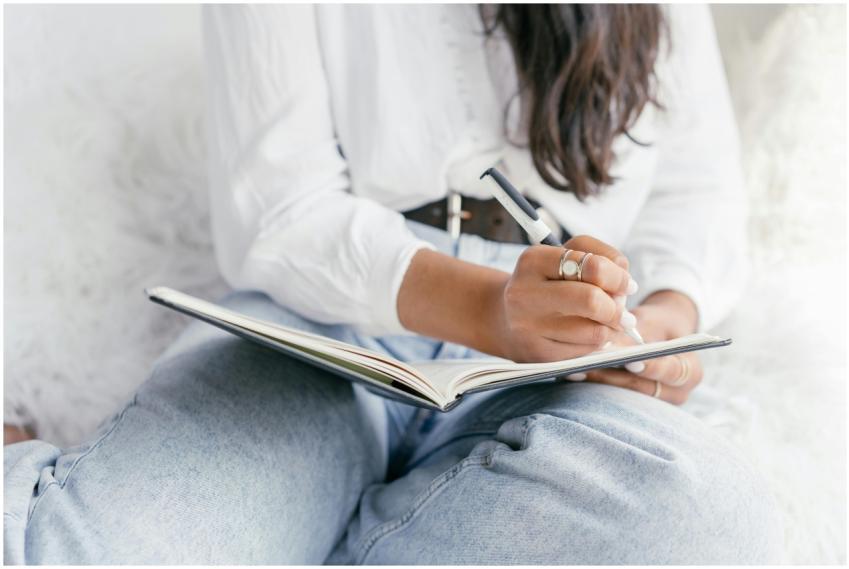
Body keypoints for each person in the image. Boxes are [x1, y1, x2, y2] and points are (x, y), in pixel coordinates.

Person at [3, 4, 782, 564]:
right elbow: (276, 208)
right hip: (318, 325)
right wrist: (490, 307)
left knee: (712, 517)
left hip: (558, 363)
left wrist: (652, 334)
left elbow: (697, 197)